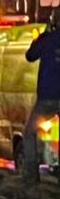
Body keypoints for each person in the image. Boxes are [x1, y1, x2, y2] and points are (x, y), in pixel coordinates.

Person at [21, 10, 60, 184]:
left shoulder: (47, 39)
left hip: (48, 96)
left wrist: (42, 35)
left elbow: (30, 56)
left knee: (29, 132)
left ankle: (31, 173)